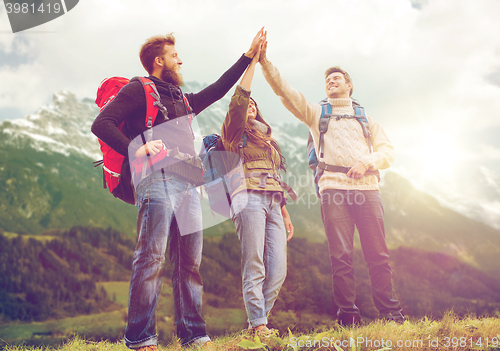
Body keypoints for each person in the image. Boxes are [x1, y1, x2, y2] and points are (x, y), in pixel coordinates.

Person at [91, 28, 266, 349]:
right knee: (151, 257)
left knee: (189, 263)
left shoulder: (182, 100)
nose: (180, 60)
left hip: (188, 180)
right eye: (174, 56)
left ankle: (194, 335)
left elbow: (218, 89)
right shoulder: (137, 90)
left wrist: (248, 56)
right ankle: (141, 338)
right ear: (159, 61)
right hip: (156, 177)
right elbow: (101, 124)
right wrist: (135, 147)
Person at [258, 40, 404, 326]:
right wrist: (264, 63)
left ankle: (391, 314)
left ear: (349, 85)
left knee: (378, 254)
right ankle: (348, 317)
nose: (330, 82)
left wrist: (367, 161)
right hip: (333, 190)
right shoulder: (317, 114)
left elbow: (388, 152)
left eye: (336, 78)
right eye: (327, 80)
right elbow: (286, 93)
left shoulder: (366, 120)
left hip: (368, 190)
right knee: (341, 257)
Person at [220, 37, 294, 336]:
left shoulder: (268, 139)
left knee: (277, 270)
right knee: (255, 264)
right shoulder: (233, 133)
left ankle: (254, 325)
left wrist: (286, 213)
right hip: (247, 198)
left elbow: (275, 175)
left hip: (274, 202)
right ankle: (260, 326)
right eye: (246, 104)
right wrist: (252, 61)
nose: (250, 105)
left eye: (254, 104)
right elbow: (241, 96)